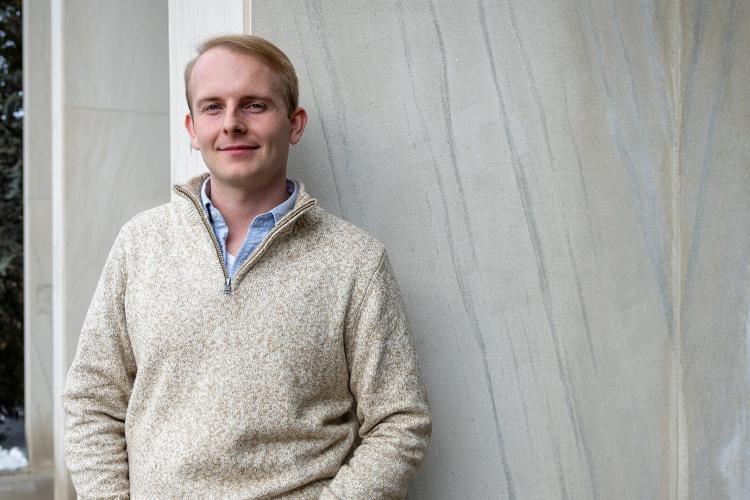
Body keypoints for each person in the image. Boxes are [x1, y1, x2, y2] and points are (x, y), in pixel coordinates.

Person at [62, 34, 431, 499]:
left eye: (254, 105)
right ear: (192, 129)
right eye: (213, 107)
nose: (232, 124)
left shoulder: (355, 262)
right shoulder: (141, 244)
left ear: (294, 123)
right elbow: (92, 402)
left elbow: (400, 420)